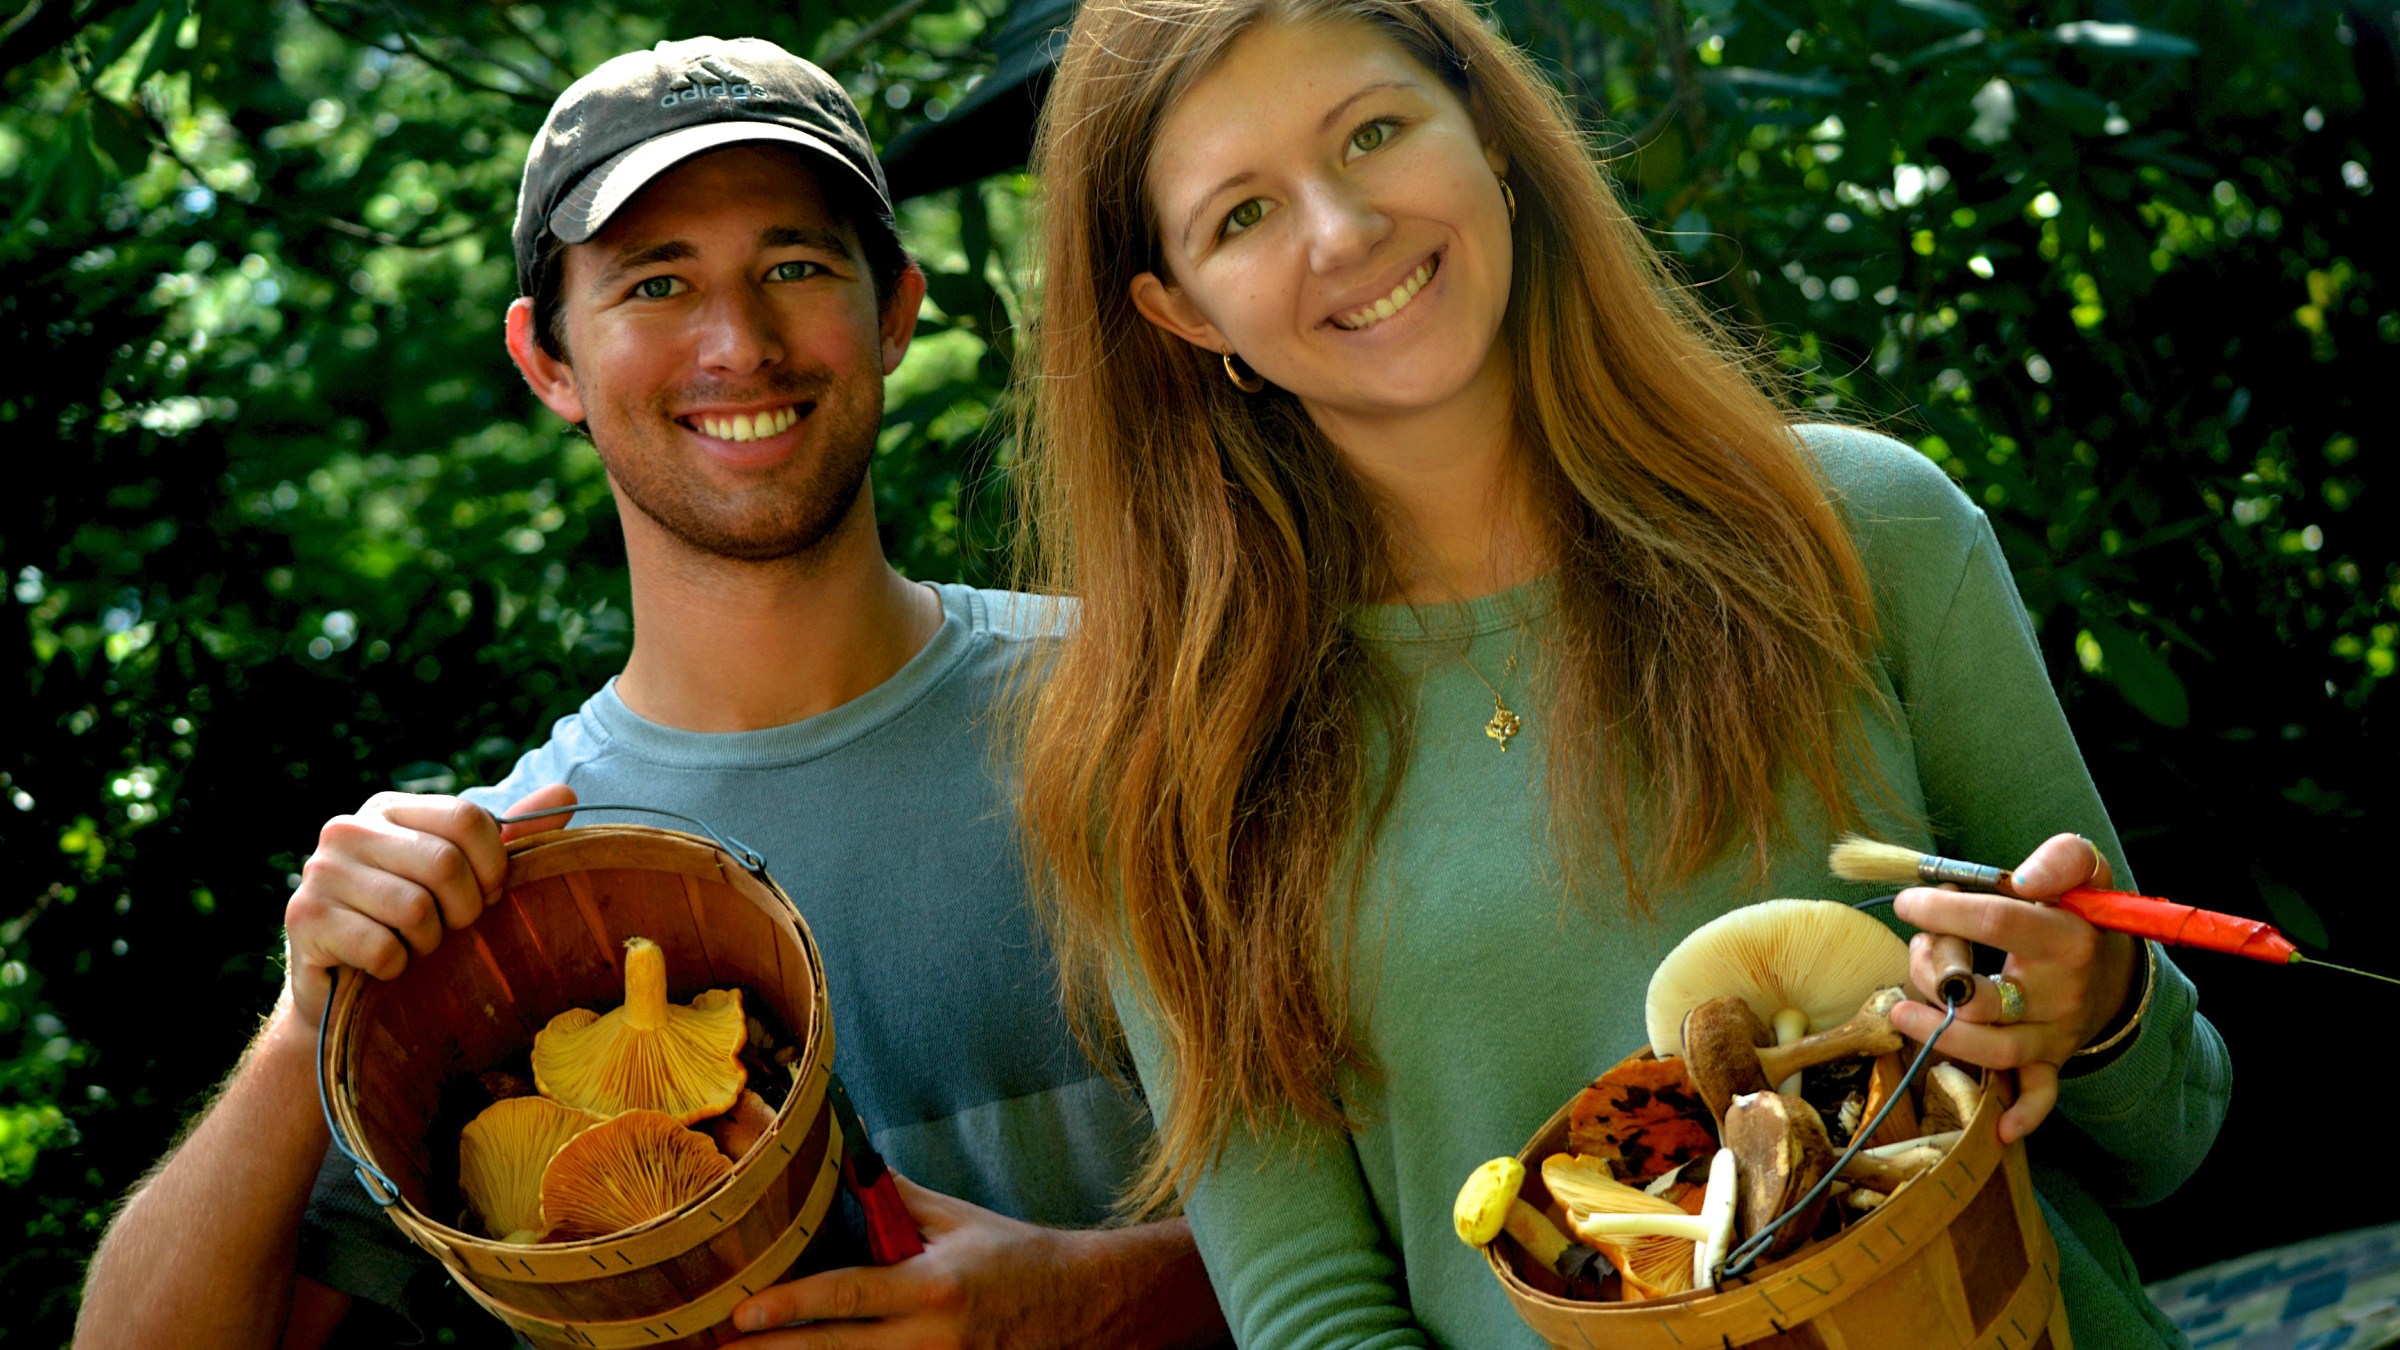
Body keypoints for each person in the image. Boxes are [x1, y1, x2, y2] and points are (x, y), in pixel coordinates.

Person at [1012, 2, 2229, 1347]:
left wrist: (2098, 1001)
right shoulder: (1164, 773)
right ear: (1180, 311)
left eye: (1372, 131)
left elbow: (2172, 1134)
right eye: (1241, 214)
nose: (1341, 228)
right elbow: (1314, 1313)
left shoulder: (1867, 530)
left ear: (1486, 128)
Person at [75, 36, 1225, 1350]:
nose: (739, 343)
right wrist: (303, 1023)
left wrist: (1110, 1300)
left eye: (793, 265)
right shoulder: (500, 890)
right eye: (656, 283)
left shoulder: (1160, 704)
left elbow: (1445, 1200)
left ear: (895, 306)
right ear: (547, 359)